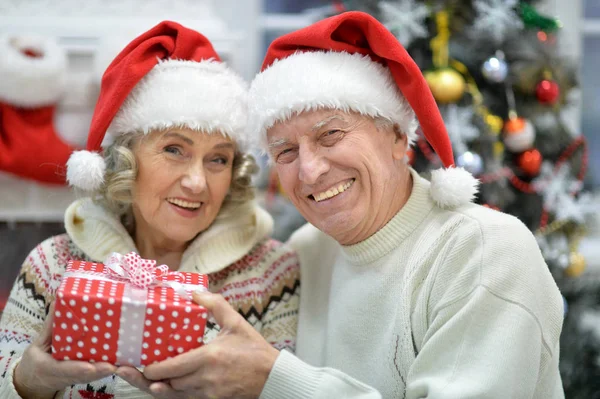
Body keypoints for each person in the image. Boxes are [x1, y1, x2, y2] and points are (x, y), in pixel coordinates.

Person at [122, 11, 564, 399]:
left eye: (330, 134)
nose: (310, 171)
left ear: (395, 136)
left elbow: (274, 382)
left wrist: (273, 382)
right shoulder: (306, 252)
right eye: (286, 152)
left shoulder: (483, 252)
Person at [0, 21, 300, 399]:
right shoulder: (53, 263)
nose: (197, 182)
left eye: (218, 159)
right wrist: (27, 382)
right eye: (174, 150)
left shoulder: (271, 273)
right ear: (126, 161)